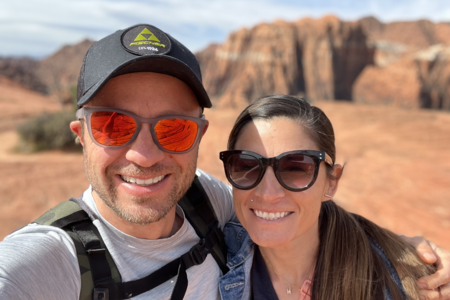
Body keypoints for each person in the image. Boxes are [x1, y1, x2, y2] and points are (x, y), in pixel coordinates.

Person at [0, 24, 448, 300]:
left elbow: (294, 210)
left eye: (173, 128)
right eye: (114, 126)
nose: (145, 154)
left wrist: (401, 251)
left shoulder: (206, 200)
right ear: (80, 136)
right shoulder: (46, 262)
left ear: (198, 138)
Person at [218, 95, 449, 300]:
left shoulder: (410, 283)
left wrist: (409, 257)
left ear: (331, 182)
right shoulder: (208, 256)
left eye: (296, 169)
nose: (268, 193)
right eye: (246, 165)